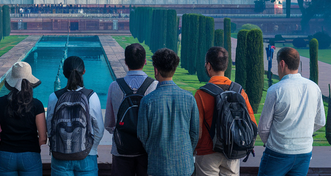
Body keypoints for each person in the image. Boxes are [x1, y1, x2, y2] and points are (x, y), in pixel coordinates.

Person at [257, 47, 325, 176]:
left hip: (278, 152)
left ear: (282, 64)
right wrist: (301, 134)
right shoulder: (314, 87)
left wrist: (275, 143)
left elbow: (263, 128)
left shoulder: (275, 90)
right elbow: (320, 121)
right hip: (304, 151)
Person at [194, 46, 257, 176]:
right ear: (226, 66)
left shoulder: (201, 94)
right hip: (233, 151)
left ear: (208, 66)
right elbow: (252, 124)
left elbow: (197, 130)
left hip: (207, 152)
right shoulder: (239, 91)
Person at [137, 48, 199, 176]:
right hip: (185, 165)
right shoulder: (189, 98)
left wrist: (153, 150)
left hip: (158, 164)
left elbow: (142, 134)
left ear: (156, 70)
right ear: (174, 69)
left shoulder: (147, 101)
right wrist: (186, 151)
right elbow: (194, 133)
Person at [105, 43, 157, 176]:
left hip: (121, 149)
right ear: (145, 62)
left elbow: (109, 124)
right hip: (146, 149)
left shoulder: (114, 86)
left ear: (126, 62)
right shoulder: (154, 85)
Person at [47, 56, 104, 176]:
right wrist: (91, 149)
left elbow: (50, 127)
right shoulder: (91, 96)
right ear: (84, 71)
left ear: (64, 73)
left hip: (60, 155)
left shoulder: (54, 97)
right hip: (86, 156)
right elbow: (99, 128)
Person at [0, 61, 46, 176]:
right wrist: (34, 148)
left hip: (6, 153)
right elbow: (43, 137)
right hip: (30, 153)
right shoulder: (37, 105)